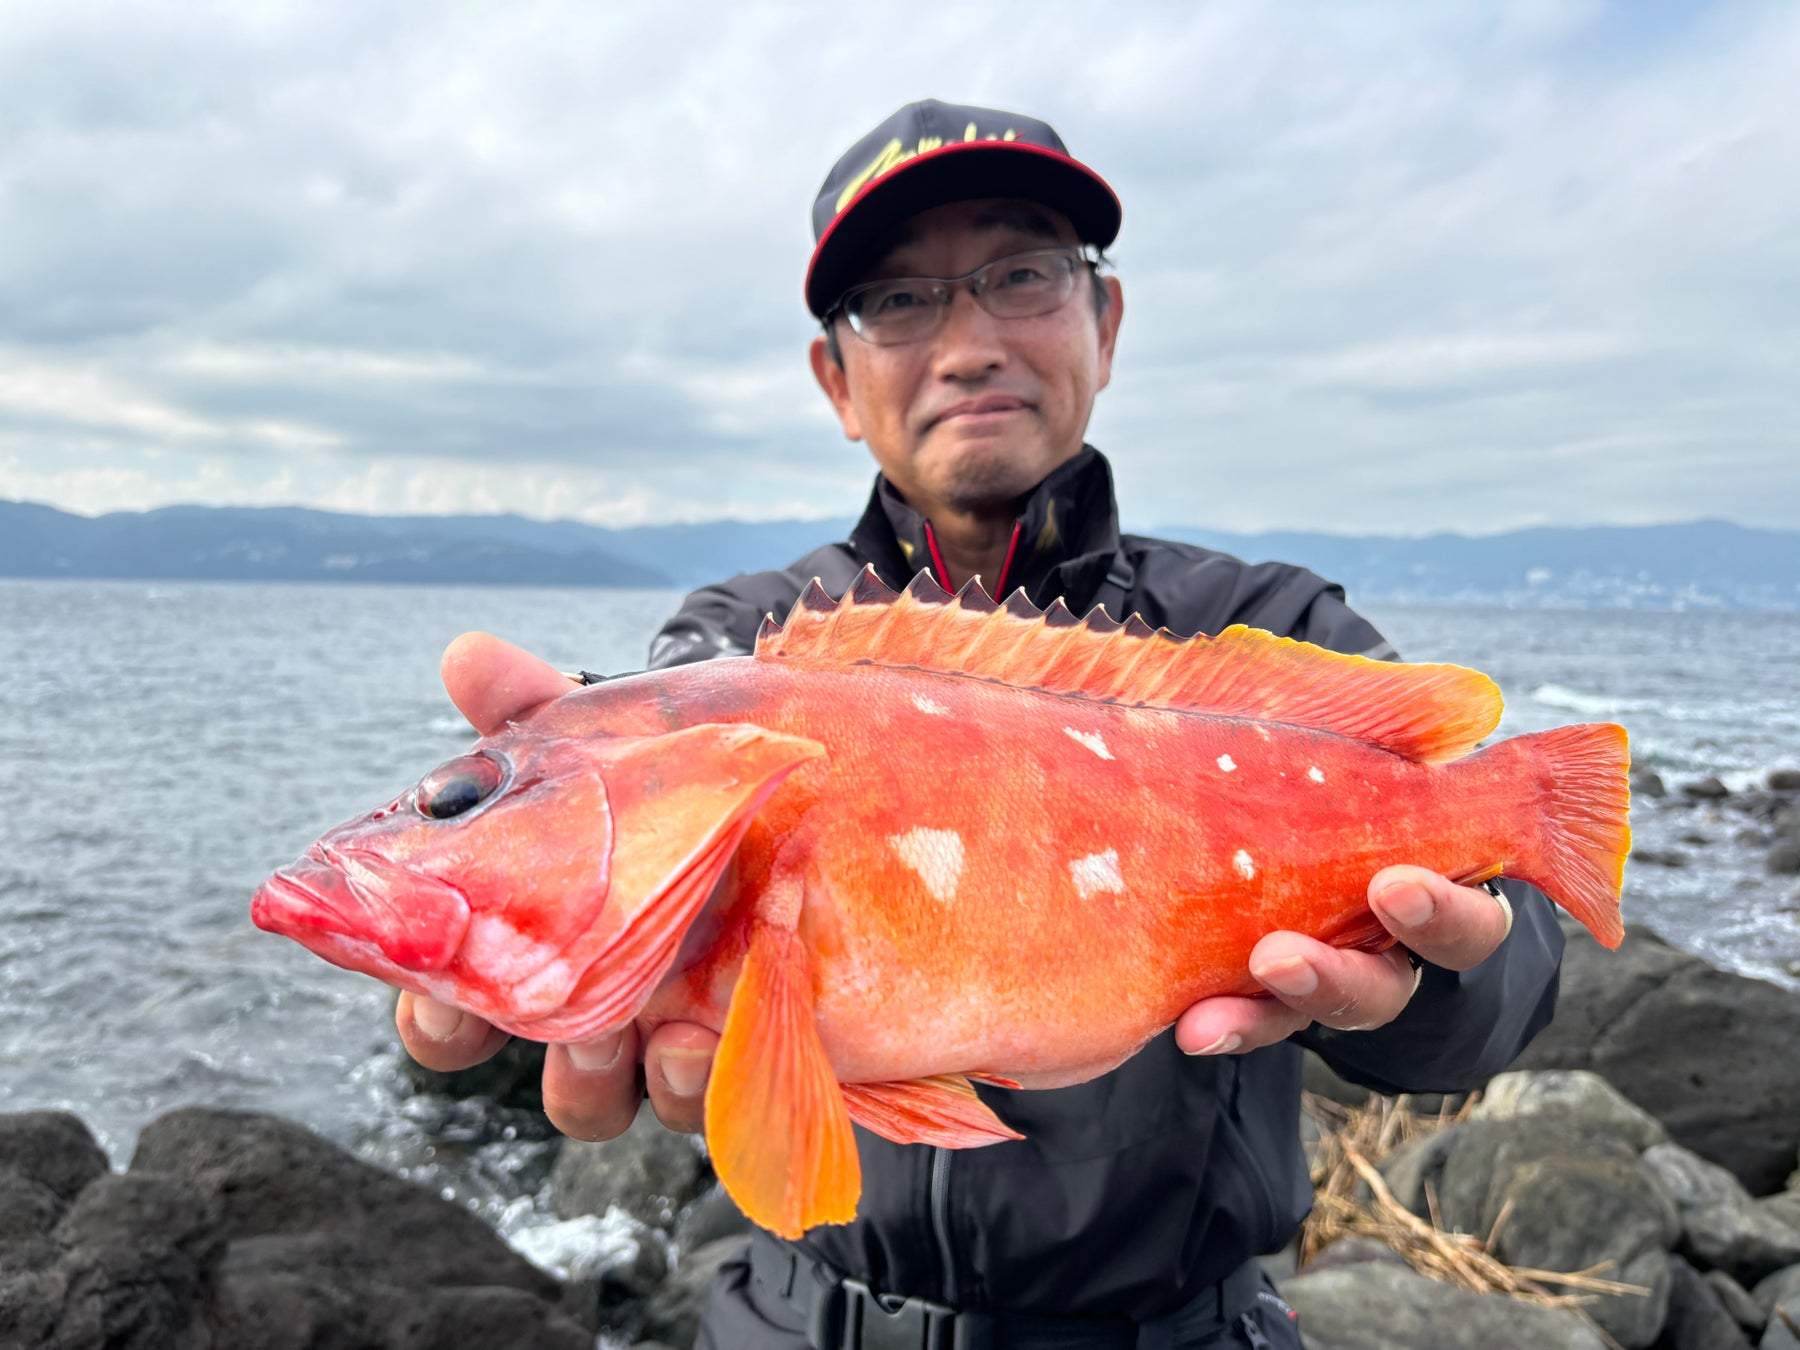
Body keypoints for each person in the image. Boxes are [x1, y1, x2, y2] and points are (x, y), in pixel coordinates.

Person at [400, 100, 1565, 1349]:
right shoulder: (736, 641)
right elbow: (645, 792)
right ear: (835, 380)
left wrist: (1444, 976)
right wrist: (510, 859)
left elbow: (1513, 964)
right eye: (897, 303)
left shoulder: (1258, 624)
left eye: (1021, 275)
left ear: (1104, 323)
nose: (965, 342)